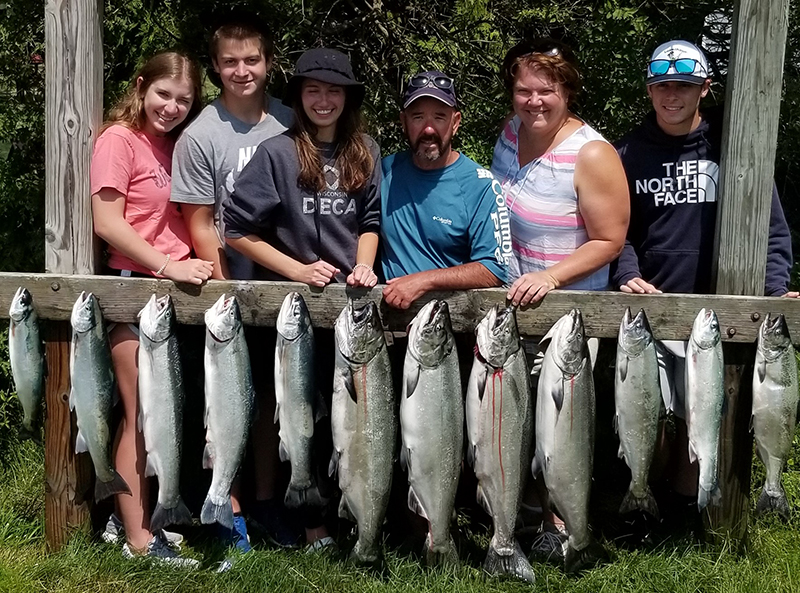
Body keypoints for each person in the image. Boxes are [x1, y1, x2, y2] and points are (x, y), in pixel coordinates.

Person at [611, 40, 795, 517]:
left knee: (708, 419)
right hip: (653, 312)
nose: (673, 95)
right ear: (649, 90)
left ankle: (694, 510)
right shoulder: (625, 154)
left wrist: (776, 289)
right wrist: (627, 272)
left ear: (705, 89)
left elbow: (769, 228)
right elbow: (613, 231)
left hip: (717, 317)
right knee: (654, 418)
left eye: (685, 86)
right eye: (663, 86)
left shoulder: (733, 151)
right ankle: (647, 507)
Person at [223, 47, 381, 550]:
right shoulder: (276, 153)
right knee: (302, 418)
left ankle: (360, 514)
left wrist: (364, 262)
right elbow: (236, 230)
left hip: (353, 309)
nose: (323, 99)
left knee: (354, 417)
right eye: (313, 89)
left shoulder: (367, 149)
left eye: (334, 90)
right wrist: (296, 270)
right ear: (299, 95)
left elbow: (371, 222)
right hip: (295, 313)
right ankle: (311, 523)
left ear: (348, 97)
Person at [490, 38, 630, 563]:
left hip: (568, 313)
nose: (534, 101)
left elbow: (609, 240)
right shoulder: (510, 134)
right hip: (512, 303)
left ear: (567, 89)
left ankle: (564, 524)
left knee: (560, 421)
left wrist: (550, 277)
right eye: (523, 90)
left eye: (546, 90)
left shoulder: (592, 153)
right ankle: (521, 513)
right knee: (514, 417)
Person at [169, 16, 297, 557]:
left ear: (268, 63)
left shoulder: (291, 124)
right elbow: (200, 220)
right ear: (215, 67)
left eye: (252, 60)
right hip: (227, 292)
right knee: (226, 403)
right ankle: (231, 507)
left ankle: (269, 502)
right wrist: (223, 287)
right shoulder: (201, 133)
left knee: (272, 400)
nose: (242, 71)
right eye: (230, 62)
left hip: (287, 291)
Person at [90, 51, 211, 567]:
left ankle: (131, 519)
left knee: (164, 413)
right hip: (134, 288)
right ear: (141, 86)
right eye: (164, 94)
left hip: (170, 295)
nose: (171, 107)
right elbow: (107, 223)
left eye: (183, 100)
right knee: (140, 413)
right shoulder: (118, 141)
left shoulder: (172, 146)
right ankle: (141, 540)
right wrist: (169, 265)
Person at [380, 70, 509, 309]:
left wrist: (424, 281)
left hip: (449, 325)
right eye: (418, 117)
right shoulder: (383, 173)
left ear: (455, 122)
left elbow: (494, 268)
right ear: (403, 122)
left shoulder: (480, 185)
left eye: (439, 117)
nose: (428, 129)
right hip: (387, 322)